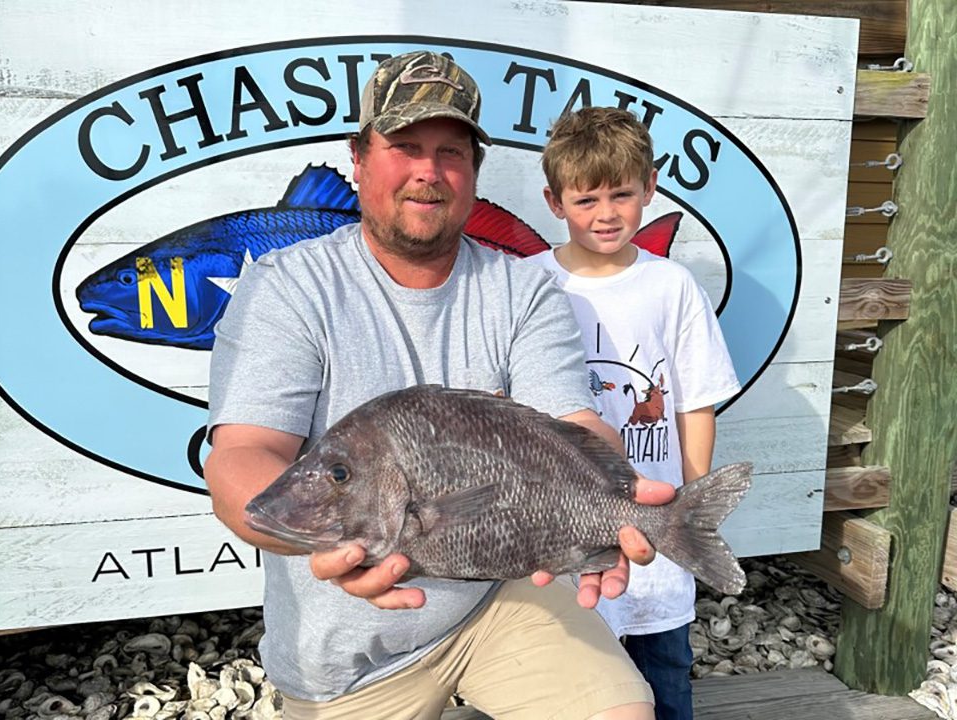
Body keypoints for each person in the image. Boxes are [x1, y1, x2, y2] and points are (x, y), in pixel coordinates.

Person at [204, 51, 677, 720]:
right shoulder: (288, 286)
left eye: (451, 152)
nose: (428, 171)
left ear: (474, 173)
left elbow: (573, 424)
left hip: (503, 592)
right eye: (404, 146)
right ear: (360, 159)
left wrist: (615, 496)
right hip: (346, 655)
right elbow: (241, 452)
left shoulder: (522, 288)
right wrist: (330, 545)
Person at [524, 106, 741, 720]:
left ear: (650, 188)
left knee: (662, 674)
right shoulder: (526, 284)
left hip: (653, 528)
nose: (607, 213)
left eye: (622, 193)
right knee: (558, 677)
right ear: (554, 200)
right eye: (587, 198)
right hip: (557, 530)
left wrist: (691, 500)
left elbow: (695, 402)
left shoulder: (671, 286)